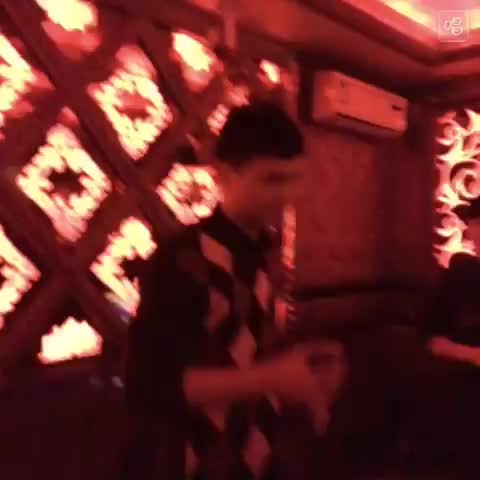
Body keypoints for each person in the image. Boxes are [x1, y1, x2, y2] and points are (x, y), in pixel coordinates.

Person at [121, 102, 346, 480]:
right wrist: (271, 378)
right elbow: (150, 383)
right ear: (224, 175)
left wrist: (305, 371)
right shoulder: (184, 258)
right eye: (273, 179)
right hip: (193, 460)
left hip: (256, 456)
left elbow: (244, 352)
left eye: (296, 179)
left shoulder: (265, 253)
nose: (288, 194)